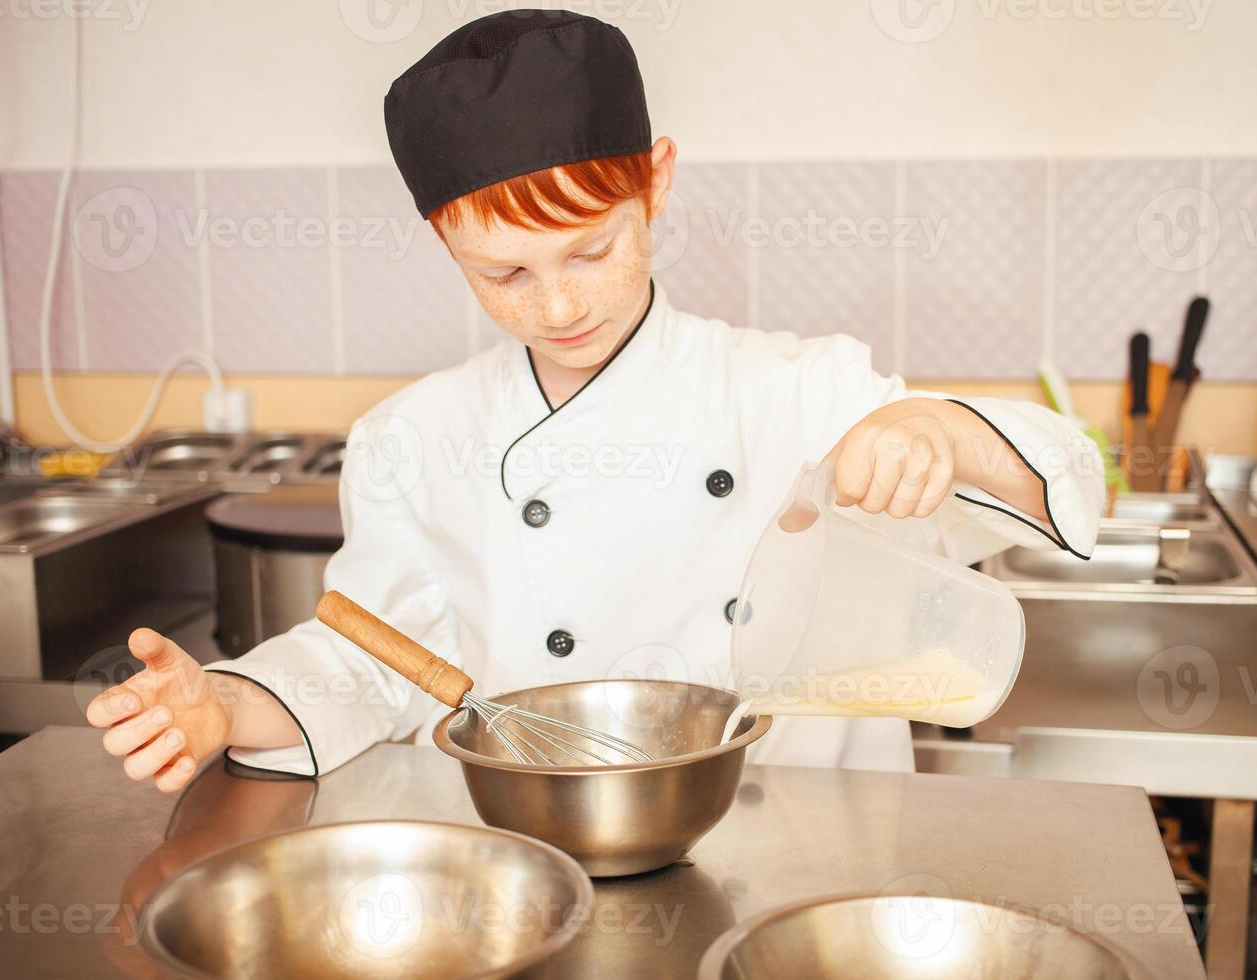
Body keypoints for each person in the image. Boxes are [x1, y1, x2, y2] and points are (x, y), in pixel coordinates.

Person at [87, 10, 1103, 792]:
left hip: (811, 867)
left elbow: (1068, 474)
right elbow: (370, 660)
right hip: (543, 867)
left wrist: (937, 429)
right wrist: (225, 702)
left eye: (592, 248)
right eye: (504, 273)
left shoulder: (802, 391)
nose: (561, 302)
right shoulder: (413, 438)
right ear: (444, 240)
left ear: (655, 183)